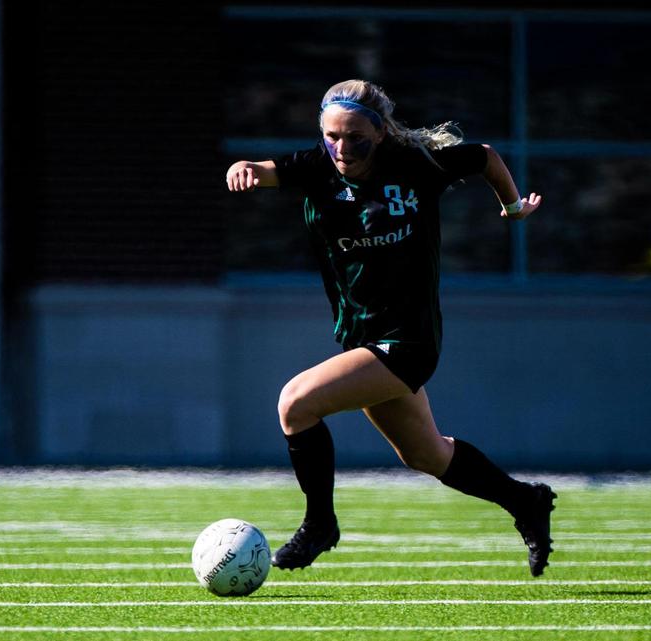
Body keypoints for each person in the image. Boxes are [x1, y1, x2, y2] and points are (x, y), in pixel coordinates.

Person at [225, 79, 555, 576]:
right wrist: (243, 168)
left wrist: (511, 208)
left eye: (355, 137)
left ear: (380, 133)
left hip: (409, 339)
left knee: (295, 403)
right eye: (332, 136)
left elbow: (485, 157)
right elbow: (266, 170)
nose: (342, 148)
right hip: (362, 336)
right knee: (427, 454)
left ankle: (319, 524)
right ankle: (525, 500)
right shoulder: (316, 168)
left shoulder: (416, 165)